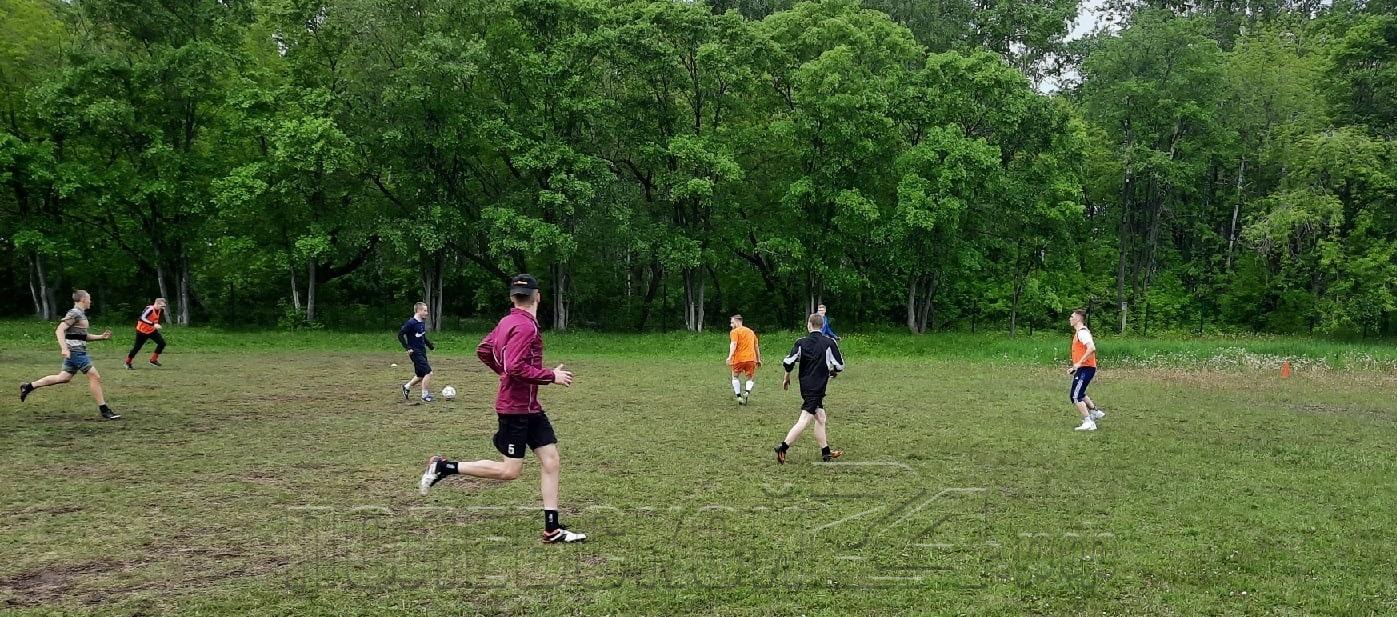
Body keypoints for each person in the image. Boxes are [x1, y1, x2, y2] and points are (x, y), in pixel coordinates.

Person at [418, 274, 586, 543]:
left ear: (512, 297)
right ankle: (444, 467)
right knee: (510, 471)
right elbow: (515, 367)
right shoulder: (525, 326)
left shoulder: (508, 321)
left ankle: (552, 529)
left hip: (530, 407)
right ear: (538, 296)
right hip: (514, 409)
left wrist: (504, 371)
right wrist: (549, 376)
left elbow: (484, 350)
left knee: (551, 460)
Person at [19, 290, 122, 420]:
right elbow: (59, 330)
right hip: (75, 352)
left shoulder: (81, 314)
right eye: (89, 298)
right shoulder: (74, 313)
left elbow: (82, 336)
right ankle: (105, 410)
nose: (90, 301)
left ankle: (28, 386)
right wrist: (64, 348)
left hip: (77, 351)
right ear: (83, 299)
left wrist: (101, 337)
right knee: (94, 376)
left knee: (63, 377)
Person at [774, 313, 844, 463]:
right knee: (805, 418)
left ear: (809, 325)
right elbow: (840, 366)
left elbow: (788, 362)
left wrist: (786, 377)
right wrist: (830, 372)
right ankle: (783, 447)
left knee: (821, 417)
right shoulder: (829, 342)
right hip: (818, 387)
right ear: (822, 326)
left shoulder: (801, 342)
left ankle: (825, 452)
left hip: (805, 385)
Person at [1067, 309, 1106, 431]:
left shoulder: (1082, 333)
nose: (1070, 318)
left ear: (1078, 318)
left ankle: (1089, 422)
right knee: (1080, 393)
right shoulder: (1079, 332)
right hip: (1084, 368)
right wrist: (1075, 367)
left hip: (1086, 368)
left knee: (1075, 396)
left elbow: (1091, 348)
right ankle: (1095, 412)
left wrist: (1079, 363)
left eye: (1072, 316)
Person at [398, 302, 436, 403]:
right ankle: (425, 396)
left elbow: (422, 336)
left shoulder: (421, 323)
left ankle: (406, 387)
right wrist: (407, 348)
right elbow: (400, 335)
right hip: (415, 352)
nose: (427, 313)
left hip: (422, 351)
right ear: (418, 311)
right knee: (428, 372)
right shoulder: (411, 323)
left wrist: (430, 346)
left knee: (420, 375)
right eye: (425, 310)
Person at [726, 314, 761, 405]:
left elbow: (733, 344)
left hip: (739, 359)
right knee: (750, 377)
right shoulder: (751, 332)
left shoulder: (734, 332)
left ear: (738, 322)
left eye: (732, 322)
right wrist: (758, 359)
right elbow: (756, 346)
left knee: (735, 376)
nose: (731, 325)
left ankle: (739, 396)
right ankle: (747, 391)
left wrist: (730, 356)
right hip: (751, 359)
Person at [125, 298, 168, 369]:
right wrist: (153, 324)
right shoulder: (150, 309)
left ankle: (153, 360)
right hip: (141, 331)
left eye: (164, 306)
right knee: (136, 348)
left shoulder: (159, 310)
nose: (163, 308)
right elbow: (142, 318)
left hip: (151, 331)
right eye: (162, 306)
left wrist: (156, 325)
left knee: (162, 343)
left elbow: (155, 319)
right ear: (157, 304)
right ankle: (128, 362)